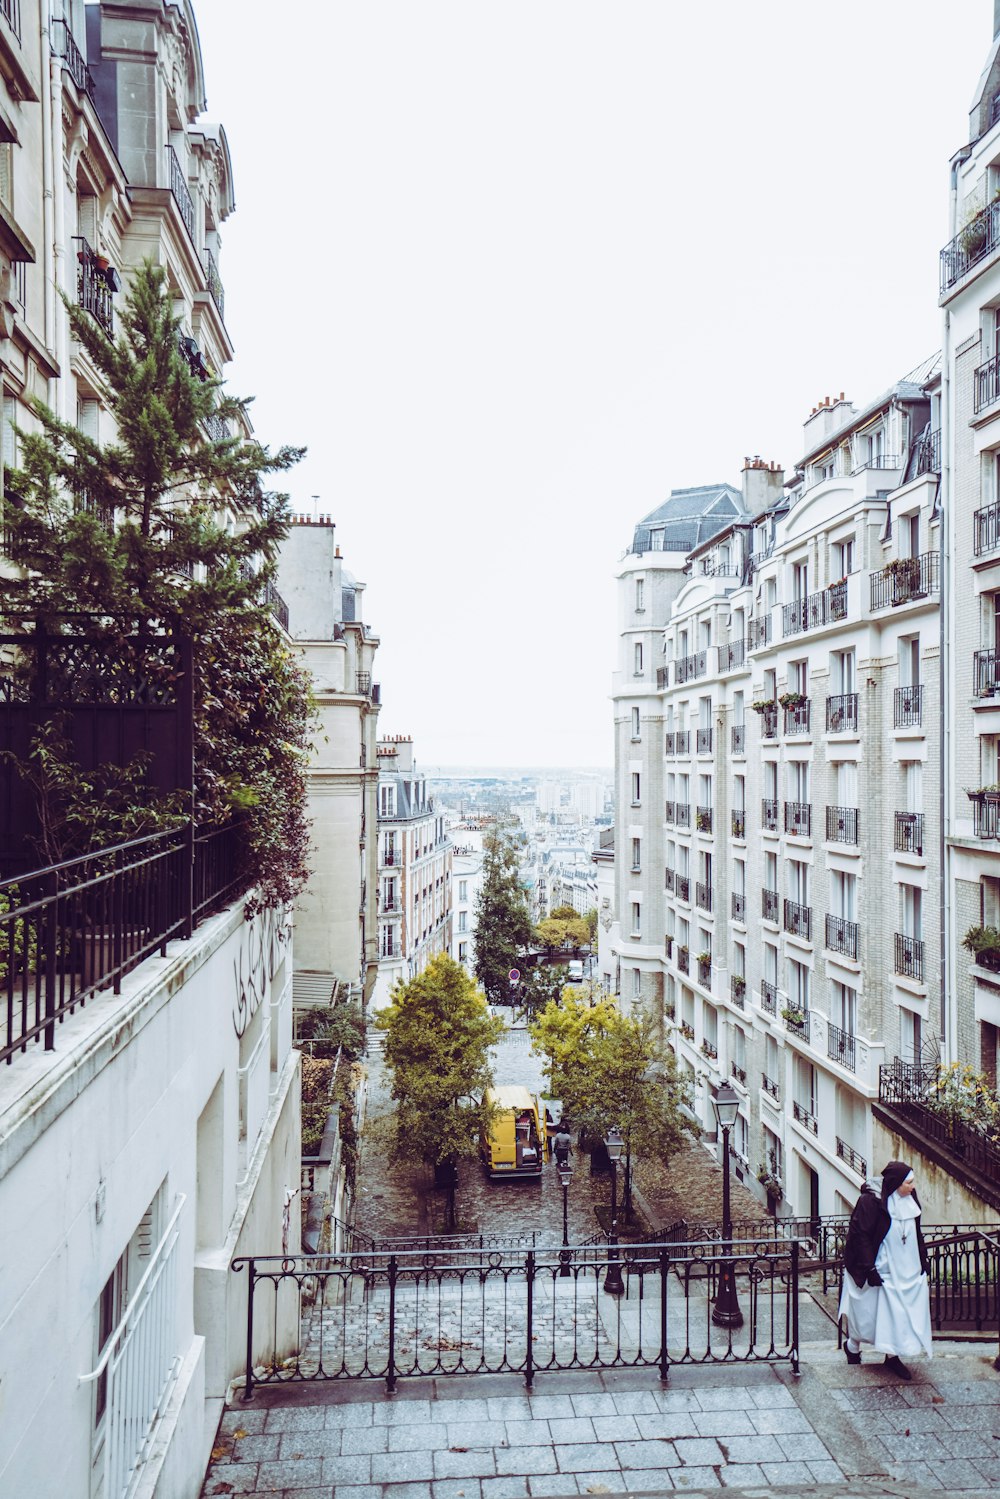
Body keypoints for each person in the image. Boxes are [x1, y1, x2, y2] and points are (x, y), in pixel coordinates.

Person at [838, 1160, 932, 1379]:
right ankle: (852, 1346)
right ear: (896, 1183)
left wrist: (922, 1258)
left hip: (903, 1269)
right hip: (875, 1266)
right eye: (909, 1182)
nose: (913, 1186)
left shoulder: (910, 1198)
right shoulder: (870, 1202)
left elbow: (915, 1232)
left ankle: (892, 1356)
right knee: (866, 1315)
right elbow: (860, 1235)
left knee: (897, 1314)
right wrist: (869, 1268)